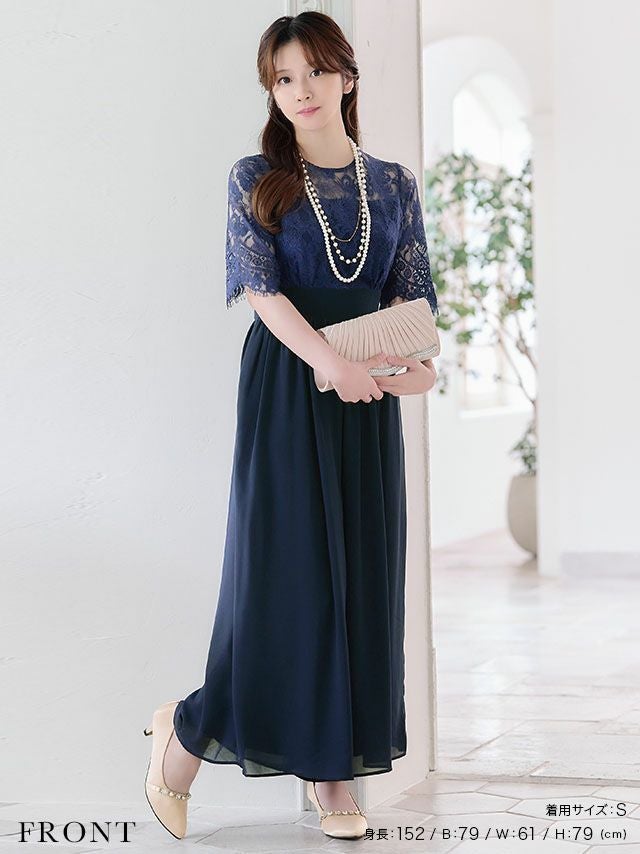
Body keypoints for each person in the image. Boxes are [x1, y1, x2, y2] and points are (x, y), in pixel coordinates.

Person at [143, 10, 439, 842]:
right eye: (283, 78)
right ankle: (184, 735)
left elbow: (411, 302)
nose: (300, 90)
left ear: (347, 76)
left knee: (363, 578)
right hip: (288, 385)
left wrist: (418, 370)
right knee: (283, 583)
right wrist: (328, 362)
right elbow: (262, 292)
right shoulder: (257, 176)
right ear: (271, 90)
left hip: (365, 398)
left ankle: (334, 774)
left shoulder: (392, 185)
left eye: (314, 71)